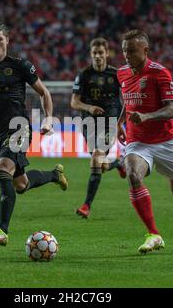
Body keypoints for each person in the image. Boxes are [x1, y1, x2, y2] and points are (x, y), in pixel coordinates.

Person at [0, 22, 68, 246]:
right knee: (21, 185)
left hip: (20, 128)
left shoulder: (20, 65)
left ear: (7, 41)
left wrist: (48, 118)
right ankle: (54, 175)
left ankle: (2, 230)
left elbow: (44, 92)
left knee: (1, 171)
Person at [116, 30, 173, 254]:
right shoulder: (122, 73)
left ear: (145, 50)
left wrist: (146, 116)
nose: (126, 55)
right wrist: (120, 121)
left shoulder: (160, 73)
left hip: (166, 142)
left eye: (131, 51)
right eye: (124, 50)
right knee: (133, 175)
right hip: (138, 141)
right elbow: (127, 99)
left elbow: (172, 109)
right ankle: (154, 234)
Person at [71, 38, 126, 219]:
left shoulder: (116, 75)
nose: (98, 56)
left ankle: (86, 205)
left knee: (96, 157)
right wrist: (89, 108)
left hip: (109, 122)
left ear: (106, 53)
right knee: (100, 165)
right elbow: (74, 102)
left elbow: (127, 100)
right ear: (91, 54)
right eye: (94, 53)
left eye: (101, 53)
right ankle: (117, 163)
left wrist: (119, 124)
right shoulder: (84, 74)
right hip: (89, 123)